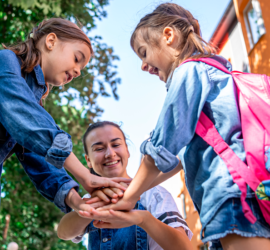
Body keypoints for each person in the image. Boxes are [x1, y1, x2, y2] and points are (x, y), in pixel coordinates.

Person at [0, 18, 128, 249]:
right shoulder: (3, 62)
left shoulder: (33, 105)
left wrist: (78, 202)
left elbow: (42, 162)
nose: (78, 71)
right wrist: (85, 176)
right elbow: (25, 117)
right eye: (77, 58)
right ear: (51, 41)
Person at [79, 4, 270, 250]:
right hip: (251, 189)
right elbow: (177, 159)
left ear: (168, 36)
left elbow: (160, 151)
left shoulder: (188, 72)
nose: (143, 66)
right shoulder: (216, 76)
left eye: (143, 52)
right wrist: (129, 188)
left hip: (231, 195)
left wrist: (130, 198)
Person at [57, 121, 192, 250]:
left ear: (127, 151)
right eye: (99, 148)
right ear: (88, 161)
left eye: (115, 145)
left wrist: (143, 220)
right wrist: (93, 207)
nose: (110, 154)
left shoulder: (153, 194)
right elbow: (63, 232)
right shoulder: (89, 199)